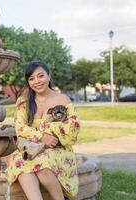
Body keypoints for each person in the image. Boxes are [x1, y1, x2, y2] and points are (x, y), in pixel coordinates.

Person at [5, 60, 80, 200]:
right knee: (19, 162)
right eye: (31, 78)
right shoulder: (24, 101)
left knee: (42, 163)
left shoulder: (63, 100)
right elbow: (20, 129)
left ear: (49, 76)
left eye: (40, 76)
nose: (37, 81)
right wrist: (43, 136)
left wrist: (42, 131)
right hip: (32, 148)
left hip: (58, 150)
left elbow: (71, 133)